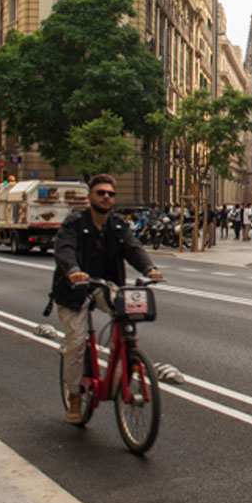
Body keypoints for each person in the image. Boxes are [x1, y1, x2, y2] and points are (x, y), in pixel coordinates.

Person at [50, 174, 163, 423]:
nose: (106, 197)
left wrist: (148, 268)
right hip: (73, 290)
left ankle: (123, 360)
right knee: (77, 341)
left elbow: (132, 248)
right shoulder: (74, 223)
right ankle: (75, 395)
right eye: (101, 193)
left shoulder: (117, 226)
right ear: (90, 196)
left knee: (126, 319)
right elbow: (64, 248)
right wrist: (72, 271)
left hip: (103, 286)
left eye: (110, 194)